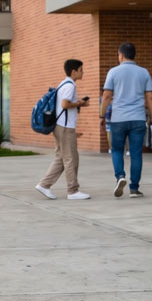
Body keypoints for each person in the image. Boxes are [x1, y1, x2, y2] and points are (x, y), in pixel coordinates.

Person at [100, 43, 152, 198]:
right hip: (138, 118)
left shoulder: (113, 72)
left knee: (117, 150)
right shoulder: (144, 72)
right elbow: (150, 97)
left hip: (118, 119)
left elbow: (106, 96)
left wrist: (102, 115)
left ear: (121, 55)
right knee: (136, 153)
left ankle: (120, 176)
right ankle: (134, 189)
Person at [37, 59, 90, 200]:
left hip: (61, 127)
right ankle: (73, 191)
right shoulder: (70, 86)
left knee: (61, 158)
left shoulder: (63, 84)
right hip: (65, 127)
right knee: (71, 158)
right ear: (74, 71)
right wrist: (80, 103)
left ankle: (44, 185)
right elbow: (65, 104)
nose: (83, 72)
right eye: (81, 70)